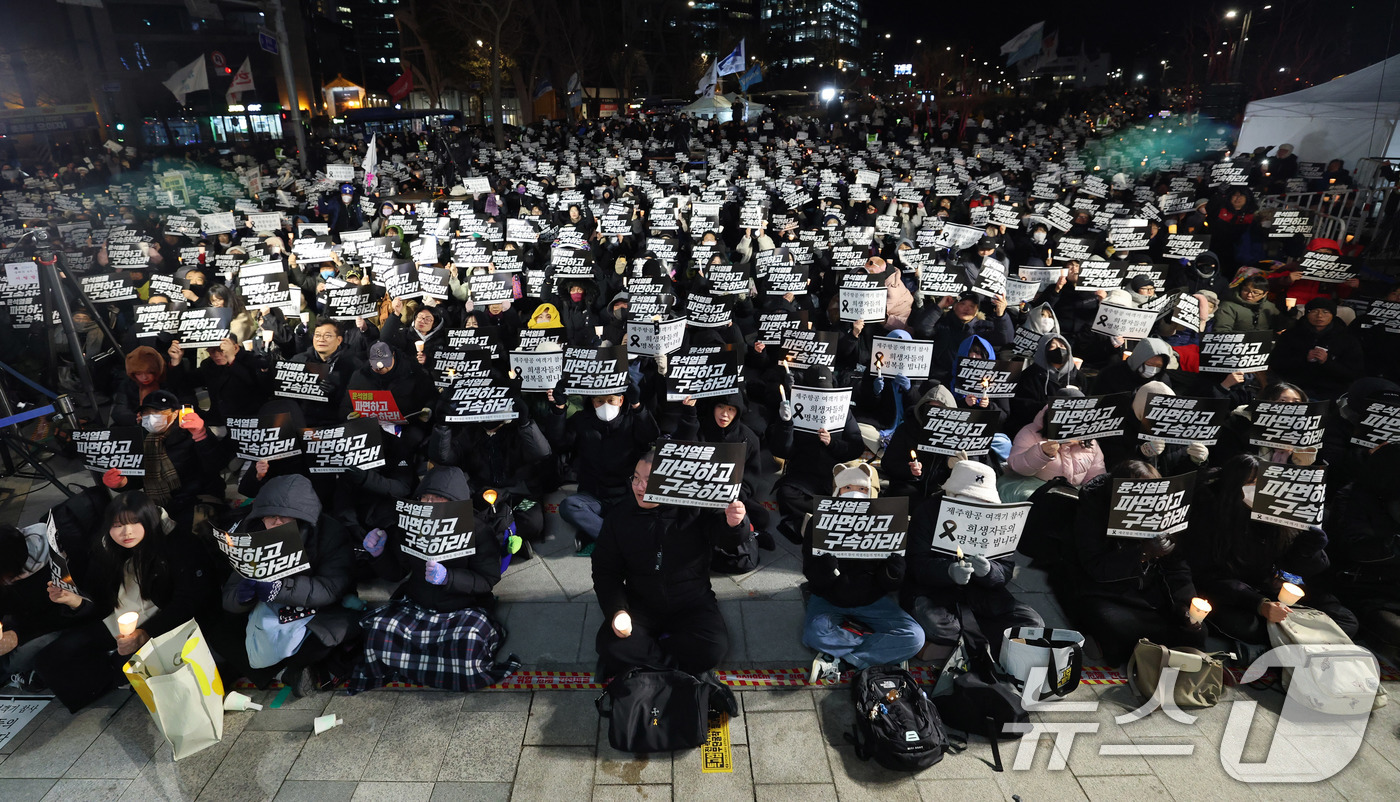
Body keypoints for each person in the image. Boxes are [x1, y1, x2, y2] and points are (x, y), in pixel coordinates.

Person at [34, 492, 216, 712]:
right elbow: (99, 600)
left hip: (162, 621)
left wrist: (145, 633)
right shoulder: (105, 547)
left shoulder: (178, 543)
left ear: (150, 519)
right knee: (50, 658)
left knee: (125, 668)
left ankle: (116, 671)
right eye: (118, 525)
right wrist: (75, 601)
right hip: (117, 620)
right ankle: (101, 686)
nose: (126, 532)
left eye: (135, 522)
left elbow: (187, 601)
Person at [350, 466, 520, 692]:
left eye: (437, 499)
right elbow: (396, 573)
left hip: (462, 608)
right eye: (424, 498)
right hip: (417, 604)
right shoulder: (410, 525)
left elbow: (487, 579)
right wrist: (378, 554)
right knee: (380, 630)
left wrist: (448, 578)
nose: (428, 505)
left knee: (468, 644)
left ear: (455, 503)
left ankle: (419, 666)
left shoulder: (478, 530)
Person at [591, 452, 751, 678]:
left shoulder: (694, 508)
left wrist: (736, 524)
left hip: (692, 599)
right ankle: (681, 669)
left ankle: (645, 665)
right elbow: (605, 571)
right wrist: (617, 610)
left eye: (648, 480)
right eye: (636, 478)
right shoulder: (619, 517)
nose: (639, 486)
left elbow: (727, 537)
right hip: (641, 601)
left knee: (714, 647)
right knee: (609, 645)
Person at [1184, 454, 1358, 646]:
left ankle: (1289, 639)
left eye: (1264, 484)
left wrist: (1309, 548)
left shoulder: (1281, 516)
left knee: (1345, 620)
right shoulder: (1211, 518)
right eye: (1252, 483)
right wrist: (1260, 603)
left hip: (1273, 586)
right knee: (1244, 627)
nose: (1260, 490)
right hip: (1235, 595)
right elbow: (1209, 576)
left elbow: (1301, 569)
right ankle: (1296, 640)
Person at [208, 474, 356, 696]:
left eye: (285, 518)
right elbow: (229, 596)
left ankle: (293, 668)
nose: (276, 523)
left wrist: (281, 588)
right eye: (271, 517)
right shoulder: (254, 533)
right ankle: (286, 672)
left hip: (317, 610)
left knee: (338, 632)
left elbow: (331, 588)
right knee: (219, 633)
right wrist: (243, 596)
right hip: (267, 612)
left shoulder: (331, 533)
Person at [905, 459, 1042, 664]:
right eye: (967, 497)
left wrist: (988, 571)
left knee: (1031, 623)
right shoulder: (927, 512)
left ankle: (953, 647)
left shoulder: (997, 516)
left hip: (983, 594)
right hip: (935, 592)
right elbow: (916, 564)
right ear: (951, 494)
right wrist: (948, 571)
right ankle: (980, 644)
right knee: (937, 625)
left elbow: (1004, 569)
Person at [1070, 461, 1204, 666]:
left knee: (1195, 632)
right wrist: (1142, 553)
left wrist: (1185, 604)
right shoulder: (1095, 508)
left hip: (1149, 592)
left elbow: (1177, 567)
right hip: (1107, 591)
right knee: (1121, 633)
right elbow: (1094, 566)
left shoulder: (1164, 513)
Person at [803, 462, 924, 682]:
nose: (854, 494)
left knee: (915, 637)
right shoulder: (818, 522)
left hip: (872, 599)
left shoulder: (889, 522)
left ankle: (844, 659)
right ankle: (877, 652)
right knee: (814, 634)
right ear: (836, 492)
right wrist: (828, 569)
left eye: (861, 489)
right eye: (846, 488)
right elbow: (810, 573)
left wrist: (894, 571)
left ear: (872, 492)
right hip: (830, 598)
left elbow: (892, 583)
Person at [542, 385, 660, 555]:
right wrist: (559, 409)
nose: (606, 405)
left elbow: (650, 437)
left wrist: (637, 406)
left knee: (649, 512)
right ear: (593, 402)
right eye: (600, 401)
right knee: (569, 507)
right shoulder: (581, 420)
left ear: (621, 400)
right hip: (593, 495)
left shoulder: (632, 419)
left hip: (626, 495)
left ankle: (605, 536)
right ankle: (617, 539)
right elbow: (559, 442)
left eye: (611, 400)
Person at [1268, 296, 1364, 400]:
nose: (1319, 316)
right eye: (1314, 311)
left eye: (1325, 312)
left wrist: (1327, 362)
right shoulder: (1291, 335)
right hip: (1296, 389)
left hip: (1332, 391)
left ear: (1333, 315)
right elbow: (1276, 364)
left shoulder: (1347, 338)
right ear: (1307, 313)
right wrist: (1304, 359)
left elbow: (1354, 373)